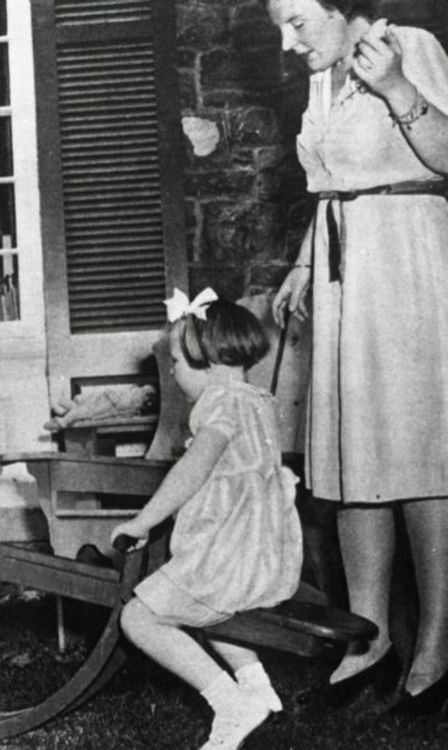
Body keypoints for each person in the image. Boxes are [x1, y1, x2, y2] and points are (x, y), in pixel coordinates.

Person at [268, 0, 448, 715]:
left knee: (421, 457)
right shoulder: (322, 76)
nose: (288, 42)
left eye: (297, 22)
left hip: (409, 264)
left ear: (344, 9)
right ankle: (368, 642)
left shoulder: (411, 46)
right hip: (346, 273)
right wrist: (305, 264)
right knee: (352, 458)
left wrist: (397, 87)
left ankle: (436, 648)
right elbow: (334, 185)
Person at [110, 289, 303, 750]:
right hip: (264, 557)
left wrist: (143, 521)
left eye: (177, 361)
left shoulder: (220, 405)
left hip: (229, 555)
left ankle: (229, 702)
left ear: (208, 361)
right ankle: (257, 688)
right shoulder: (257, 400)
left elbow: (192, 470)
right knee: (214, 611)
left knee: (139, 619)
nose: (173, 373)